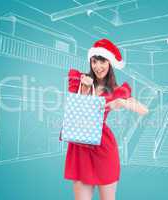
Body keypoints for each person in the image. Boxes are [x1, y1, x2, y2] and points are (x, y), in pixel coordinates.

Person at [64, 38, 149, 200]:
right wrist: (85, 88)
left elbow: (144, 110)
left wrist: (122, 102)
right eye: (94, 61)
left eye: (102, 61)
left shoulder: (117, 90)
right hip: (80, 147)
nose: (97, 66)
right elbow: (77, 110)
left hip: (103, 146)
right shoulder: (80, 81)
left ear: (110, 62)